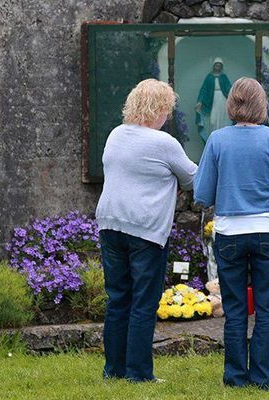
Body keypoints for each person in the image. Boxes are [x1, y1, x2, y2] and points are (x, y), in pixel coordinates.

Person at [194, 77, 269, 390]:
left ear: (231, 104)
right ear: (261, 105)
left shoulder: (217, 139)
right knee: (266, 308)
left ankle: (236, 377)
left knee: (235, 308)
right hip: (266, 230)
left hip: (229, 232)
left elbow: (202, 193)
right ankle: (265, 377)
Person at [95, 79, 198, 382]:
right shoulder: (163, 143)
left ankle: (113, 370)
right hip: (145, 230)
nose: (168, 115)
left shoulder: (116, 135)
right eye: (167, 109)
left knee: (118, 299)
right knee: (143, 302)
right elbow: (194, 179)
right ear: (160, 108)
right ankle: (139, 373)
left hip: (110, 224)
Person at [196, 57, 232, 142]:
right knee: (213, 121)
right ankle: (214, 138)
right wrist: (200, 101)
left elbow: (229, 89)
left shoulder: (223, 77)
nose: (217, 67)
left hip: (223, 100)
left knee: (223, 119)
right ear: (214, 66)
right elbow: (204, 90)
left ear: (221, 67)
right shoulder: (209, 77)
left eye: (219, 65)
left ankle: (223, 139)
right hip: (212, 100)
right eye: (216, 65)